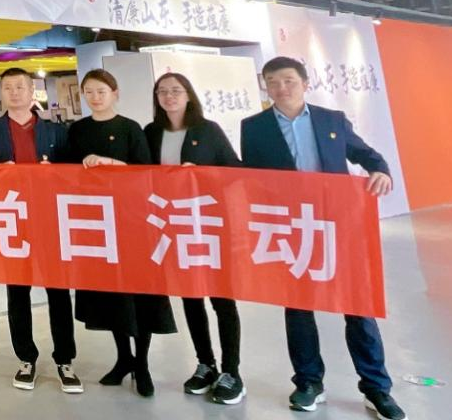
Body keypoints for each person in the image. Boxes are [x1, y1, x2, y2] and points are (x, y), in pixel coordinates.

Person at [242, 57, 405, 420]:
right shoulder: (253, 127)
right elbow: (249, 177)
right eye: (273, 81)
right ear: (265, 86)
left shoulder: (332, 120)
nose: (281, 88)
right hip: (292, 229)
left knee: (357, 307)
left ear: (305, 83)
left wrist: (381, 170)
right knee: (298, 308)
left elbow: (365, 155)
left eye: (288, 80)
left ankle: (376, 388)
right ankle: (308, 383)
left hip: (337, 225)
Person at [66, 69, 176, 398]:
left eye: (101, 91)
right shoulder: (78, 130)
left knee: (139, 296)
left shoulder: (130, 128)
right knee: (111, 296)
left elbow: (145, 173)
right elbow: (65, 174)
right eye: (89, 92)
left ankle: (142, 363)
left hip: (132, 222)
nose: (95, 97)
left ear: (115, 93)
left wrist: (112, 164)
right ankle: (123, 357)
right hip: (97, 224)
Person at [0, 68, 81, 394]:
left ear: (32, 91)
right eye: (8, 87)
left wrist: (54, 172)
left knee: (58, 293)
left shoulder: (55, 131)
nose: (14, 92)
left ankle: (65, 360)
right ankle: (25, 359)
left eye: (20, 86)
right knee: (17, 294)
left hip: (49, 221)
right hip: (11, 221)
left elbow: (75, 175)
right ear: (1, 93)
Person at [144, 73, 244, 405]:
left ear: (188, 95)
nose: (169, 96)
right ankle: (206, 364)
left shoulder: (208, 130)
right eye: (163, 91)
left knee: (222, 299)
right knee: (190, 297)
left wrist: (201, 174)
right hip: (175, 225)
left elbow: (234, 171)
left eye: (176, 90)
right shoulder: (151, 132)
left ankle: (232, 371)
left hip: (209, 224)